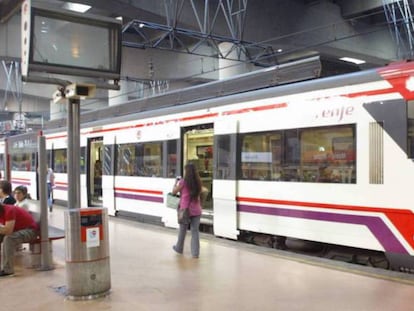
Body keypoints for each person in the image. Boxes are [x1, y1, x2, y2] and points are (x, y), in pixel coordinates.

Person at [172, 162, 202, 258]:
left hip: (185, 209)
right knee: (195, 232)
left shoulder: (182, 182)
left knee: (182, 230)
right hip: (196, 210)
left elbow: (174, 192)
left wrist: (175, 182)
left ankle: (179, 248)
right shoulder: (198, 182)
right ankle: (195, 253)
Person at [0, 203, 39, 277]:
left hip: (30, 231)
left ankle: (8, 270)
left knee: (9, 238)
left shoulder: (9, 210)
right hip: (18, 230)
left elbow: (8, 231)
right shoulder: (2, 211)